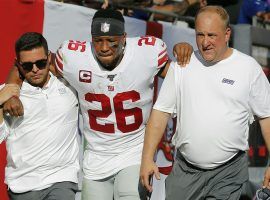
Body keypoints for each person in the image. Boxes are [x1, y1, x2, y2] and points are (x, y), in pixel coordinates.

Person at [4, 9, 193, 200]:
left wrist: (183, 53)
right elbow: (30, 64)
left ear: (124, 38)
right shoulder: (74, 58)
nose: (104, 47)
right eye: (98, 40)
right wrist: (12, 89)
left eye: (112, 41)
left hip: (134, 151)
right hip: (96, 159)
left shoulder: (145, 53)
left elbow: (181, 79)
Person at [140, 5, 270, 200]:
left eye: (212, 35)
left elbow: (267, 117)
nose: (205, 42)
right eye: (200, 35)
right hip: (185, 171)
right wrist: (147, 158)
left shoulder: (248, 68)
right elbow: (160, 113)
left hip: (229, 173)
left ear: (227, 34)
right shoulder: (182, 65)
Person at [1, 32, 80, 200]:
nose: (35, 69)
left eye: (41, 63)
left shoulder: (71, 84)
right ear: (18, 65)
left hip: (62, 178)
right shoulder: (7, 93)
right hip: (22, 185)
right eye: (28, 66)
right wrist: (2, 101)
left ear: (49, 57)